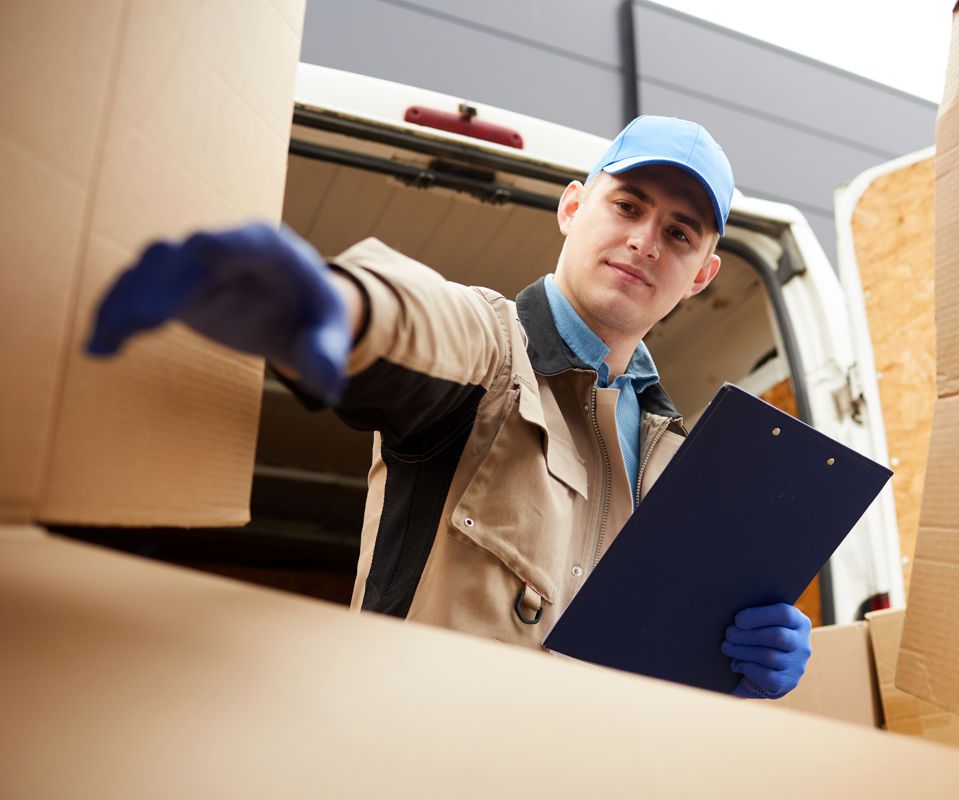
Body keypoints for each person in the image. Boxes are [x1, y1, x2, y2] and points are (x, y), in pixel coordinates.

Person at [88, 115, 812, 699]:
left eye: (679, 233)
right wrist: (340, 305)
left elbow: (657, 655)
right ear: (572, 207)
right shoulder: (493, 350)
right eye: (627, 205)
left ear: (701, 276)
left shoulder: (680, 460)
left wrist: (734, 661)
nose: (644, 241)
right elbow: (421, 320)